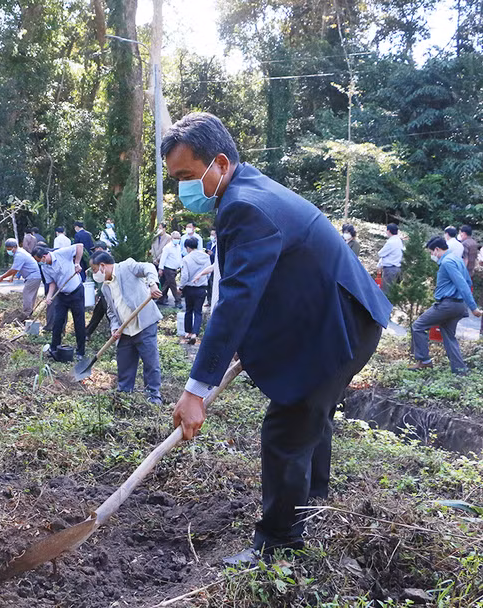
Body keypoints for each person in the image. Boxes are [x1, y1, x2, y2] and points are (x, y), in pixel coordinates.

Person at [162, 112, 392, 566]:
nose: (184, 189)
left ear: (220, 164)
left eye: (188, 176)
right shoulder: (249, 189)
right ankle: (314, 504)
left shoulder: (245, 206)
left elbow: (236, 300)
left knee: (287, 427)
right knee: (309, 412)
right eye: (176, 180)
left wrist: (195, 390)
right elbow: (269, 282)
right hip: (338, 318)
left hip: (340, 326)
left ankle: (279, 542)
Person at [90, 251, 163, 404]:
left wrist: (153, 284)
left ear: (103, 266)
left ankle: (153, 395)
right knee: (124, 363)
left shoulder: (127, 267)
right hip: (124, 330)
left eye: (95, 270)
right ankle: (124, 394)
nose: (95, 274)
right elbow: (111, 310)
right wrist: (115, 327)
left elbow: (148, 267)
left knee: (150, 362)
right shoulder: (105, 288)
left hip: (144, 324)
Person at [409, 236, 482, 375]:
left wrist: (473, 308)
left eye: (431, 252)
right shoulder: (457, 259)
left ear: (437, 249)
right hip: (458, 305)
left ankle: (424, 361)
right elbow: (468, 282)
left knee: (418, 326)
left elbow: (462, 285)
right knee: (449, 336)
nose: (432, 255)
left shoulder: (447, 262)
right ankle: (460, 371)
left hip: (448, 305)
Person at [33, 244, 86, 359]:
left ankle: (80, 352)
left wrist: (77, 263)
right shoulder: (44, 267)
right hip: (62, 295)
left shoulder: (62, 253)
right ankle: (54, 349)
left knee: (79, 322)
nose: (40, 263)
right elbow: (52, 283)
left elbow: (79, 246)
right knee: (57, 322)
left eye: (40, 260)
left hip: (76, 292)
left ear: (45, 256)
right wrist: (49, 296)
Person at [177, 236, 212, 343]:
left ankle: (187, 332)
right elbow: (209, 272)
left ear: (187, 247)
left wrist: (181, 287)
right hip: (202, 288)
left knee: (188, 310)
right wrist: (203, 281)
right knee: (198, 312)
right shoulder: (206, 257)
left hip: (189, 288)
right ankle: (195, 334)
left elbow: (185, 276)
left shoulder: (186, 259)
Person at [0, 238, 41, 317]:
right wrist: (12, 277)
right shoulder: (19, 253)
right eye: (7, 249)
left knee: (27, 294)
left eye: (10, 249)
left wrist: (2, 277)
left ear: (15, 247)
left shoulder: (20, 255)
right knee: (30, 296)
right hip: (34, 277)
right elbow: (17, 268)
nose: (9, 251)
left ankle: (26, 314)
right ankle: (29, 313)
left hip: (33, 277)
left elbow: (14, 269)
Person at [85, 241, 110, 339]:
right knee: (98, 311)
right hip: (104, 292)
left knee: (109, 313)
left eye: (95, 250)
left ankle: (119, 333)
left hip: (110, 293)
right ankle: (87, 332)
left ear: (99, 249)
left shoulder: (108, 261)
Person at [157, 231, 184, 308]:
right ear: (171, 238)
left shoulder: (178, 247)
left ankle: (160, 298)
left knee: (166, 284)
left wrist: (181, 265)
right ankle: (178, 301)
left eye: (178, 238)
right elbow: (163, 258)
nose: (177, 239)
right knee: (173, 286)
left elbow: (179, 257)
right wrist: (160, 269)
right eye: (175, 238)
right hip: (168, 269)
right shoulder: (167, 247)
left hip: (175, 269)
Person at [377, 223, 404, 295]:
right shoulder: (399, 240)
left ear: (388, 231)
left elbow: (381, 253)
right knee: (394, 291)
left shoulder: (391, 242)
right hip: (398, 267)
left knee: (386, 291)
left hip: (390, 269)